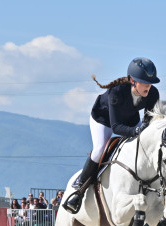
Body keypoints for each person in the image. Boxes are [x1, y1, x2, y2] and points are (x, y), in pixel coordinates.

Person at [63, 57, 160, 214]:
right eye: (144, 82)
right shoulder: (116, 93)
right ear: (133, 81)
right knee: (100, 148)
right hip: (103, 120)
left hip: (129, 119)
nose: (149, 86)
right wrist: (136, 131)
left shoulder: (153, 93)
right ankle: (79, 190)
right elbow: (115, 126)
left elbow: (148, 118)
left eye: (150, 82)